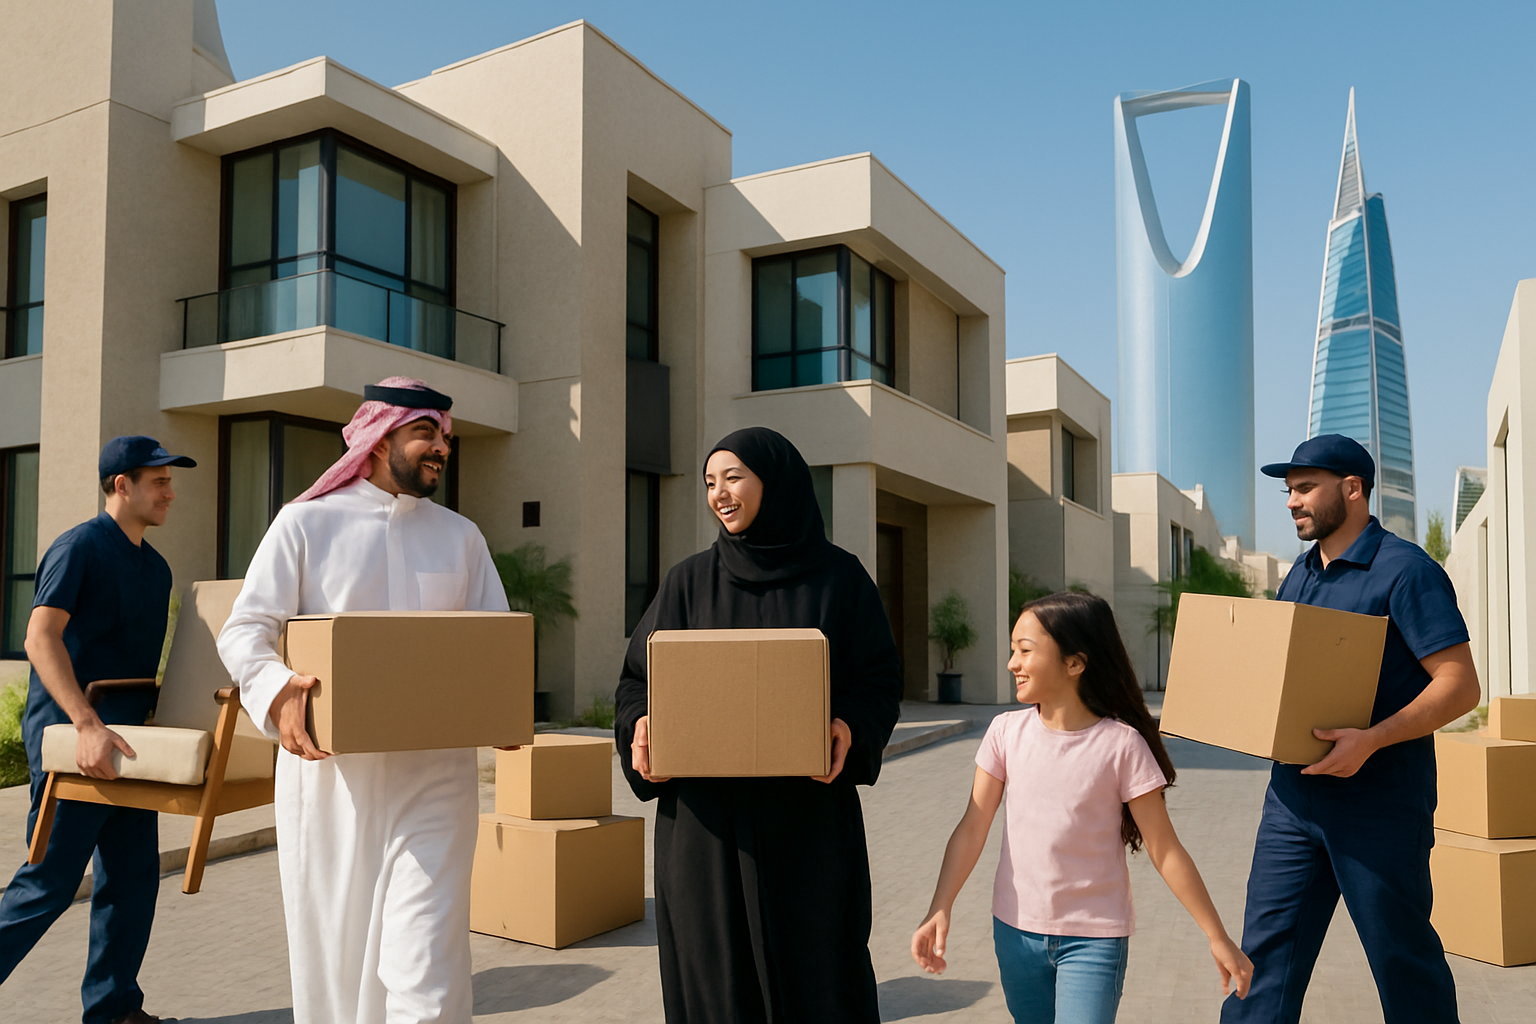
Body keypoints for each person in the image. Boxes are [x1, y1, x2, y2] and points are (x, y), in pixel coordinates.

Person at [216, 377, 509, 1024]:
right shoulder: (305, 523)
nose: (441, 448)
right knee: (337, 967)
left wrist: (503, 710)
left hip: (436, 779)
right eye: (425, 433)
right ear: (378, 440)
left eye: (445, 437)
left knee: (427, 971)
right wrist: (276, 693)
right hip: (331, 784)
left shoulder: (462, 537)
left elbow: (493, 645)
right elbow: (244, 631)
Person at [614, 426, 902, 1024]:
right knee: (716, 990)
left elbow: (879, 683)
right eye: (710, 483)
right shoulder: (688, 582)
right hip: (705, 836)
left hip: (808, 832)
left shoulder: (840, 579)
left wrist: (850, 726)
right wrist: (640, 725)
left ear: (776, 482)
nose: (719, 494)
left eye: (734, 478)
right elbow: (636, 681)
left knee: (818, 979)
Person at [1223, 434, 1480, 1024]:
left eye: (1305, 488)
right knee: (1262, 964)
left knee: (1403, 964)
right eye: (1289, 491)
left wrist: (1374, 739)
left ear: (1353, 489)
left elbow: (1460, 685)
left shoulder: (1408, 572)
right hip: (1292, 800)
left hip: (1380, 806)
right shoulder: (1301, 574)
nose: (1291, 502)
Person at [912, 592, 1251, 1023]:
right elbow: (973, 826)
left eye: (1026, 651)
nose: (1013, 663)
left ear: (1075, 663)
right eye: (1012, 650)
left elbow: (1165, 850)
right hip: (1015, 933)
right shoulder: (1004, 733)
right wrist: (940, 904)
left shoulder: (1122, 745)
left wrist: (1216, 935)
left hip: (1094, 940)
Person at [0, 436, 196, 1024]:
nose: (170, 492)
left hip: (132, 749)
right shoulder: (79, 548)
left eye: (170, 481)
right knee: (50, 882)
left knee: (133, 880)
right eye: (159, 481)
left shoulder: (156, 568)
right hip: (73, 741)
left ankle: (112, 1009)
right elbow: (40, 638)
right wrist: (84, 724)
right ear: (122, 485)